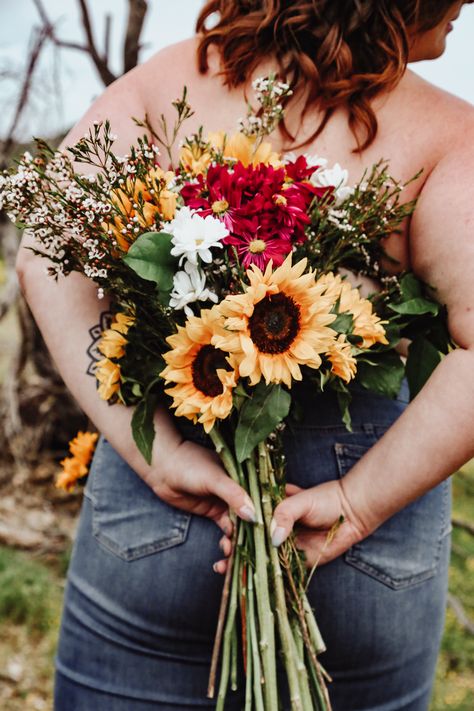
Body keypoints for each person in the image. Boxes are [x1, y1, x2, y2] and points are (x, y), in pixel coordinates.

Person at [15, 1, 474, 709]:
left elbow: (43, 253)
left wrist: (155, 453)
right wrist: (356, 502)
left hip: (165, 509)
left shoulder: (175, 80)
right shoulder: (446, 133)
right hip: (360, 544)